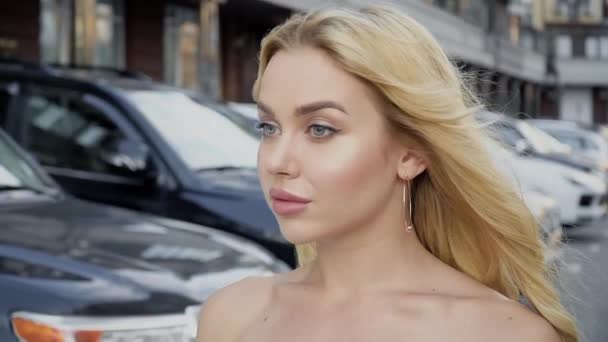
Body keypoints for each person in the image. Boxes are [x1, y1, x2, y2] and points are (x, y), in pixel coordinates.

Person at [196, 5, 578, 342]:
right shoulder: (230, 315)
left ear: (412, 154)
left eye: (320, 129)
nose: (276, 161)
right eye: (269, 127)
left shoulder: (504, 334)